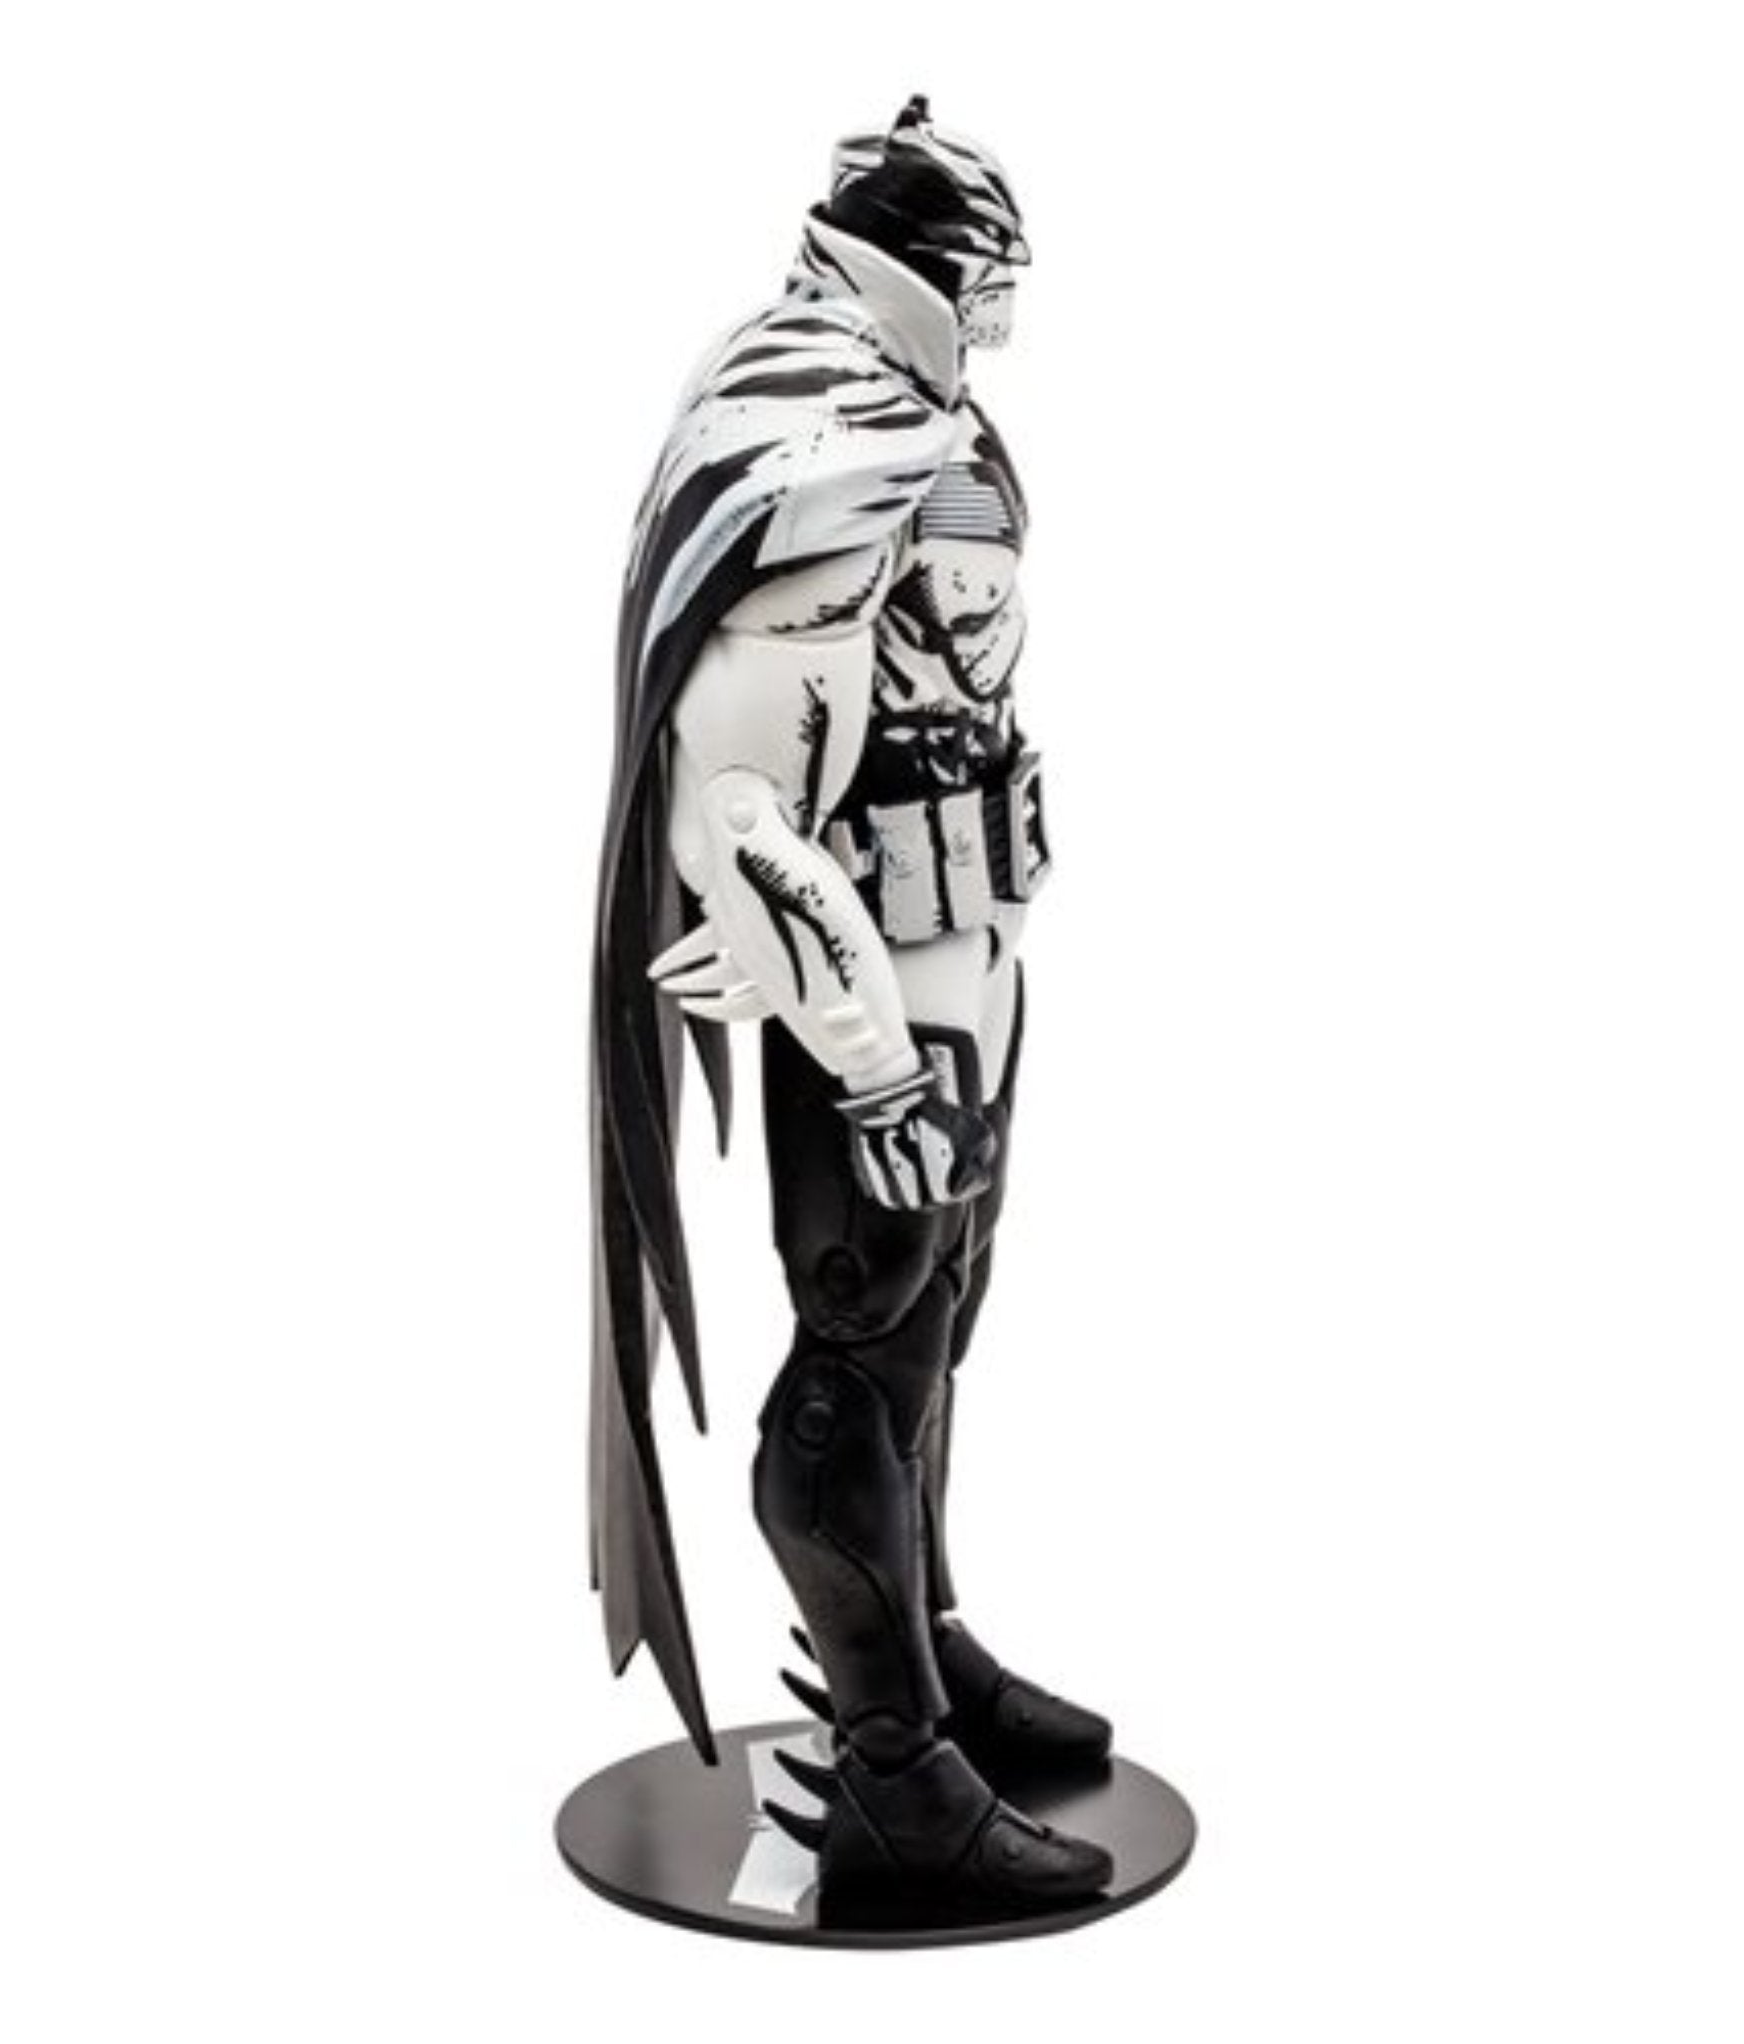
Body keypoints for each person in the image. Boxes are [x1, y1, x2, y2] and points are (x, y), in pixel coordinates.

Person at [590, 99, 1113, 1902]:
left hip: (970, 950)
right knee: (859, 1357)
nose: (1006, 313)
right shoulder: (819, 442)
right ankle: (891, 1773)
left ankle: (918, 1656)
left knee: (941, 1316)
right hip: (872, 987)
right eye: (990, 277)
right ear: (925, 265)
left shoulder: (920, 416)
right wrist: (872, 1062)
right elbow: (743, 819)